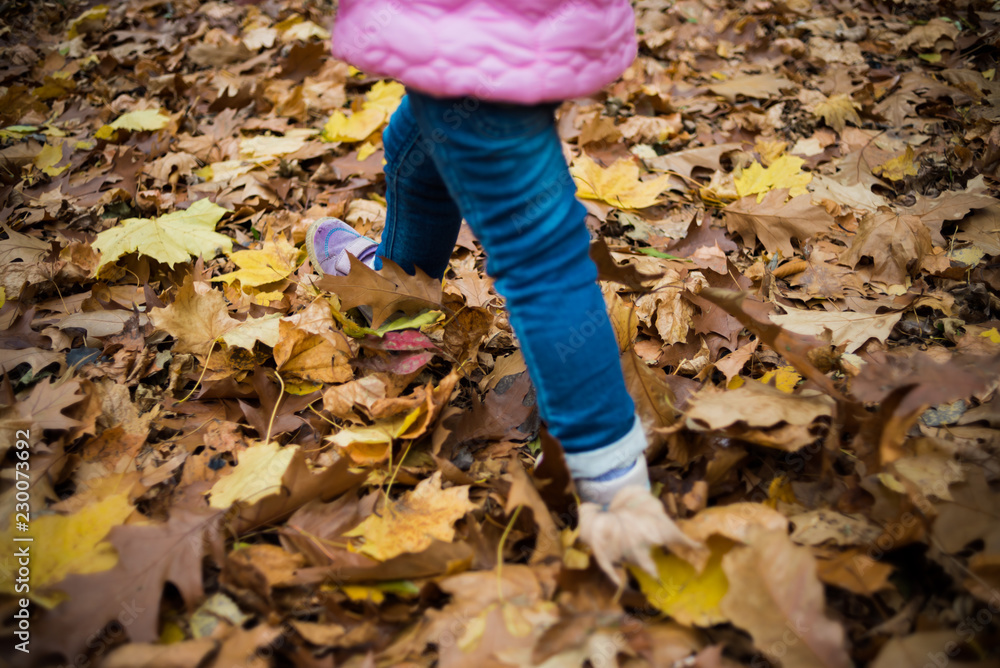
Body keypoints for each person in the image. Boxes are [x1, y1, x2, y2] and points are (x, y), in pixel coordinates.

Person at [309, 0, 649, 506]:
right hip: (526, 21)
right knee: (417, 140)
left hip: (472, 33)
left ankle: (612, 482)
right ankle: (397, 293)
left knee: (540, 253)